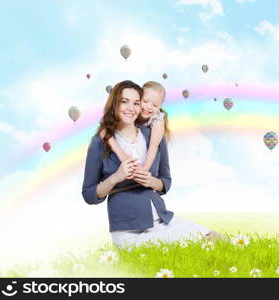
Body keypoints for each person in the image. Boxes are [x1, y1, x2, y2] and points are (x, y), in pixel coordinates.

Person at [81, 80, 222, 249]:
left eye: (136, 103)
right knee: (174, 251)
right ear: (114, 104)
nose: (131, 108)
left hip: (163, 219)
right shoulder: (100, 142)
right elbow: (89, 194)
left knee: (214, 237)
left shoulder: (154, 134)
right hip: (128, 229)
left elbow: (165, 181)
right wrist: (115, 178)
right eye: (124, 101)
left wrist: (151, 182)